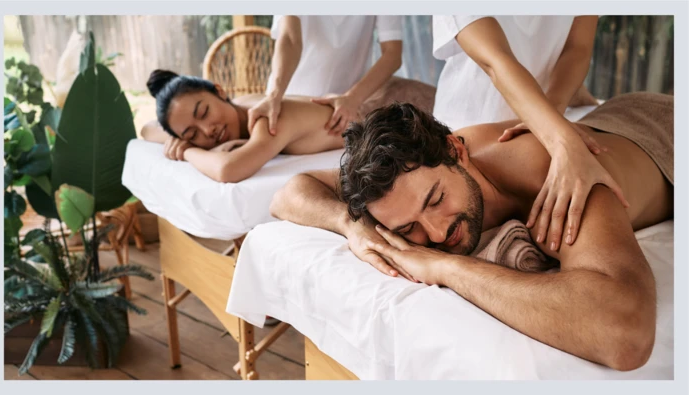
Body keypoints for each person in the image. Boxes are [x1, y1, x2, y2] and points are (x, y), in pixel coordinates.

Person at [270, 92, 673, 371]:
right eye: (407, 228)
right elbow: (291, 191)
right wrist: (352, 226)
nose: (437, 231)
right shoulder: (403, 179)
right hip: (607, 119)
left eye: (434, 200)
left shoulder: (552, 172)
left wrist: (446, 268)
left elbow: (626, 334)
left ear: (456, 151)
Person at [431, 15, 630, 254]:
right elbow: (494, 59)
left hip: (539, 123)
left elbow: (577, 48)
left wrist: (550, 119)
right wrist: (561, 141)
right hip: (469, 129)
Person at [140, 69, 343, 183]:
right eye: (192, 134)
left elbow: (228, 170)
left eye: (204, 113)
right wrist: (176, 139)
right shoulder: (240, 105)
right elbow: (147, 128)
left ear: (219, 91)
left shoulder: (268, 118)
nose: (207, 130)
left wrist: (187, 150)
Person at [247, 15, 403, 136]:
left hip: (340, 112)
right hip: (284, 101)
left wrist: (353, 99)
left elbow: (392, 54)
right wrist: (275, 95)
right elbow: (290, 38)